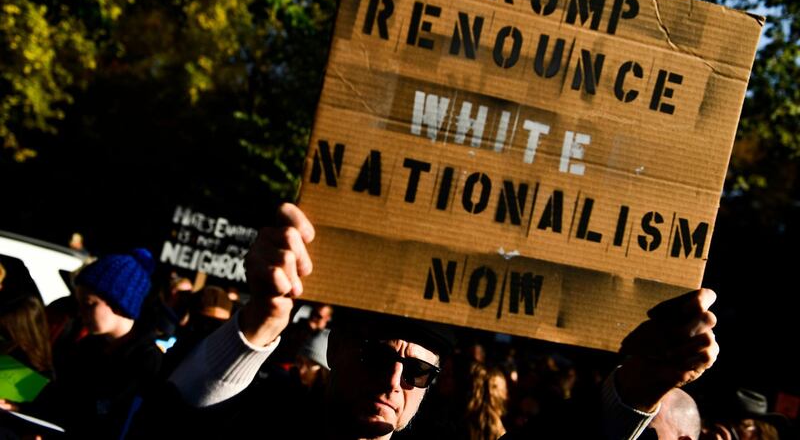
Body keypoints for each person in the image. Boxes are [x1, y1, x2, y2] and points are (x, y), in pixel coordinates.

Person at [150, 203, 719, 440]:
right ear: (339, 347)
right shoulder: (266, 422)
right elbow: (177, 418)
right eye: (378, 357)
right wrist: (262, 319)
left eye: (416, 373)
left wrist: (640, 389)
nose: (393, 383)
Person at [32, 248, 163, 439]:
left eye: (89, 304)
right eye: (80, 304)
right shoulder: (87, 347)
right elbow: (59, 397)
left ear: (120, 302)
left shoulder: (147, 361)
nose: (80, 312)